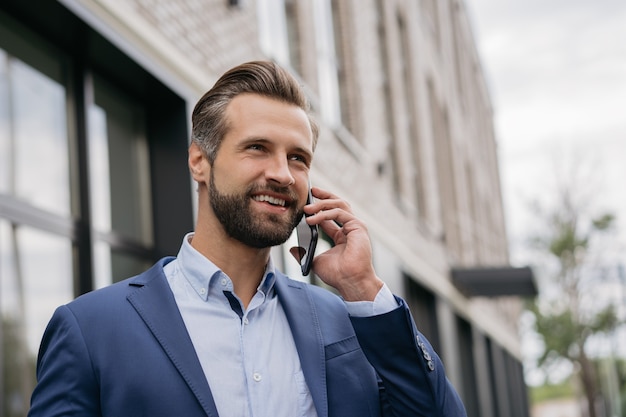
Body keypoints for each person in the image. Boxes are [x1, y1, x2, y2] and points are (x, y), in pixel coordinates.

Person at [28, 61, 467, 417]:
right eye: (257, 147)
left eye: (298, 157)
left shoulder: (345, 320)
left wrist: (363, 288)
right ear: (200, 161)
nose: (281, 173)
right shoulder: (90, 329)